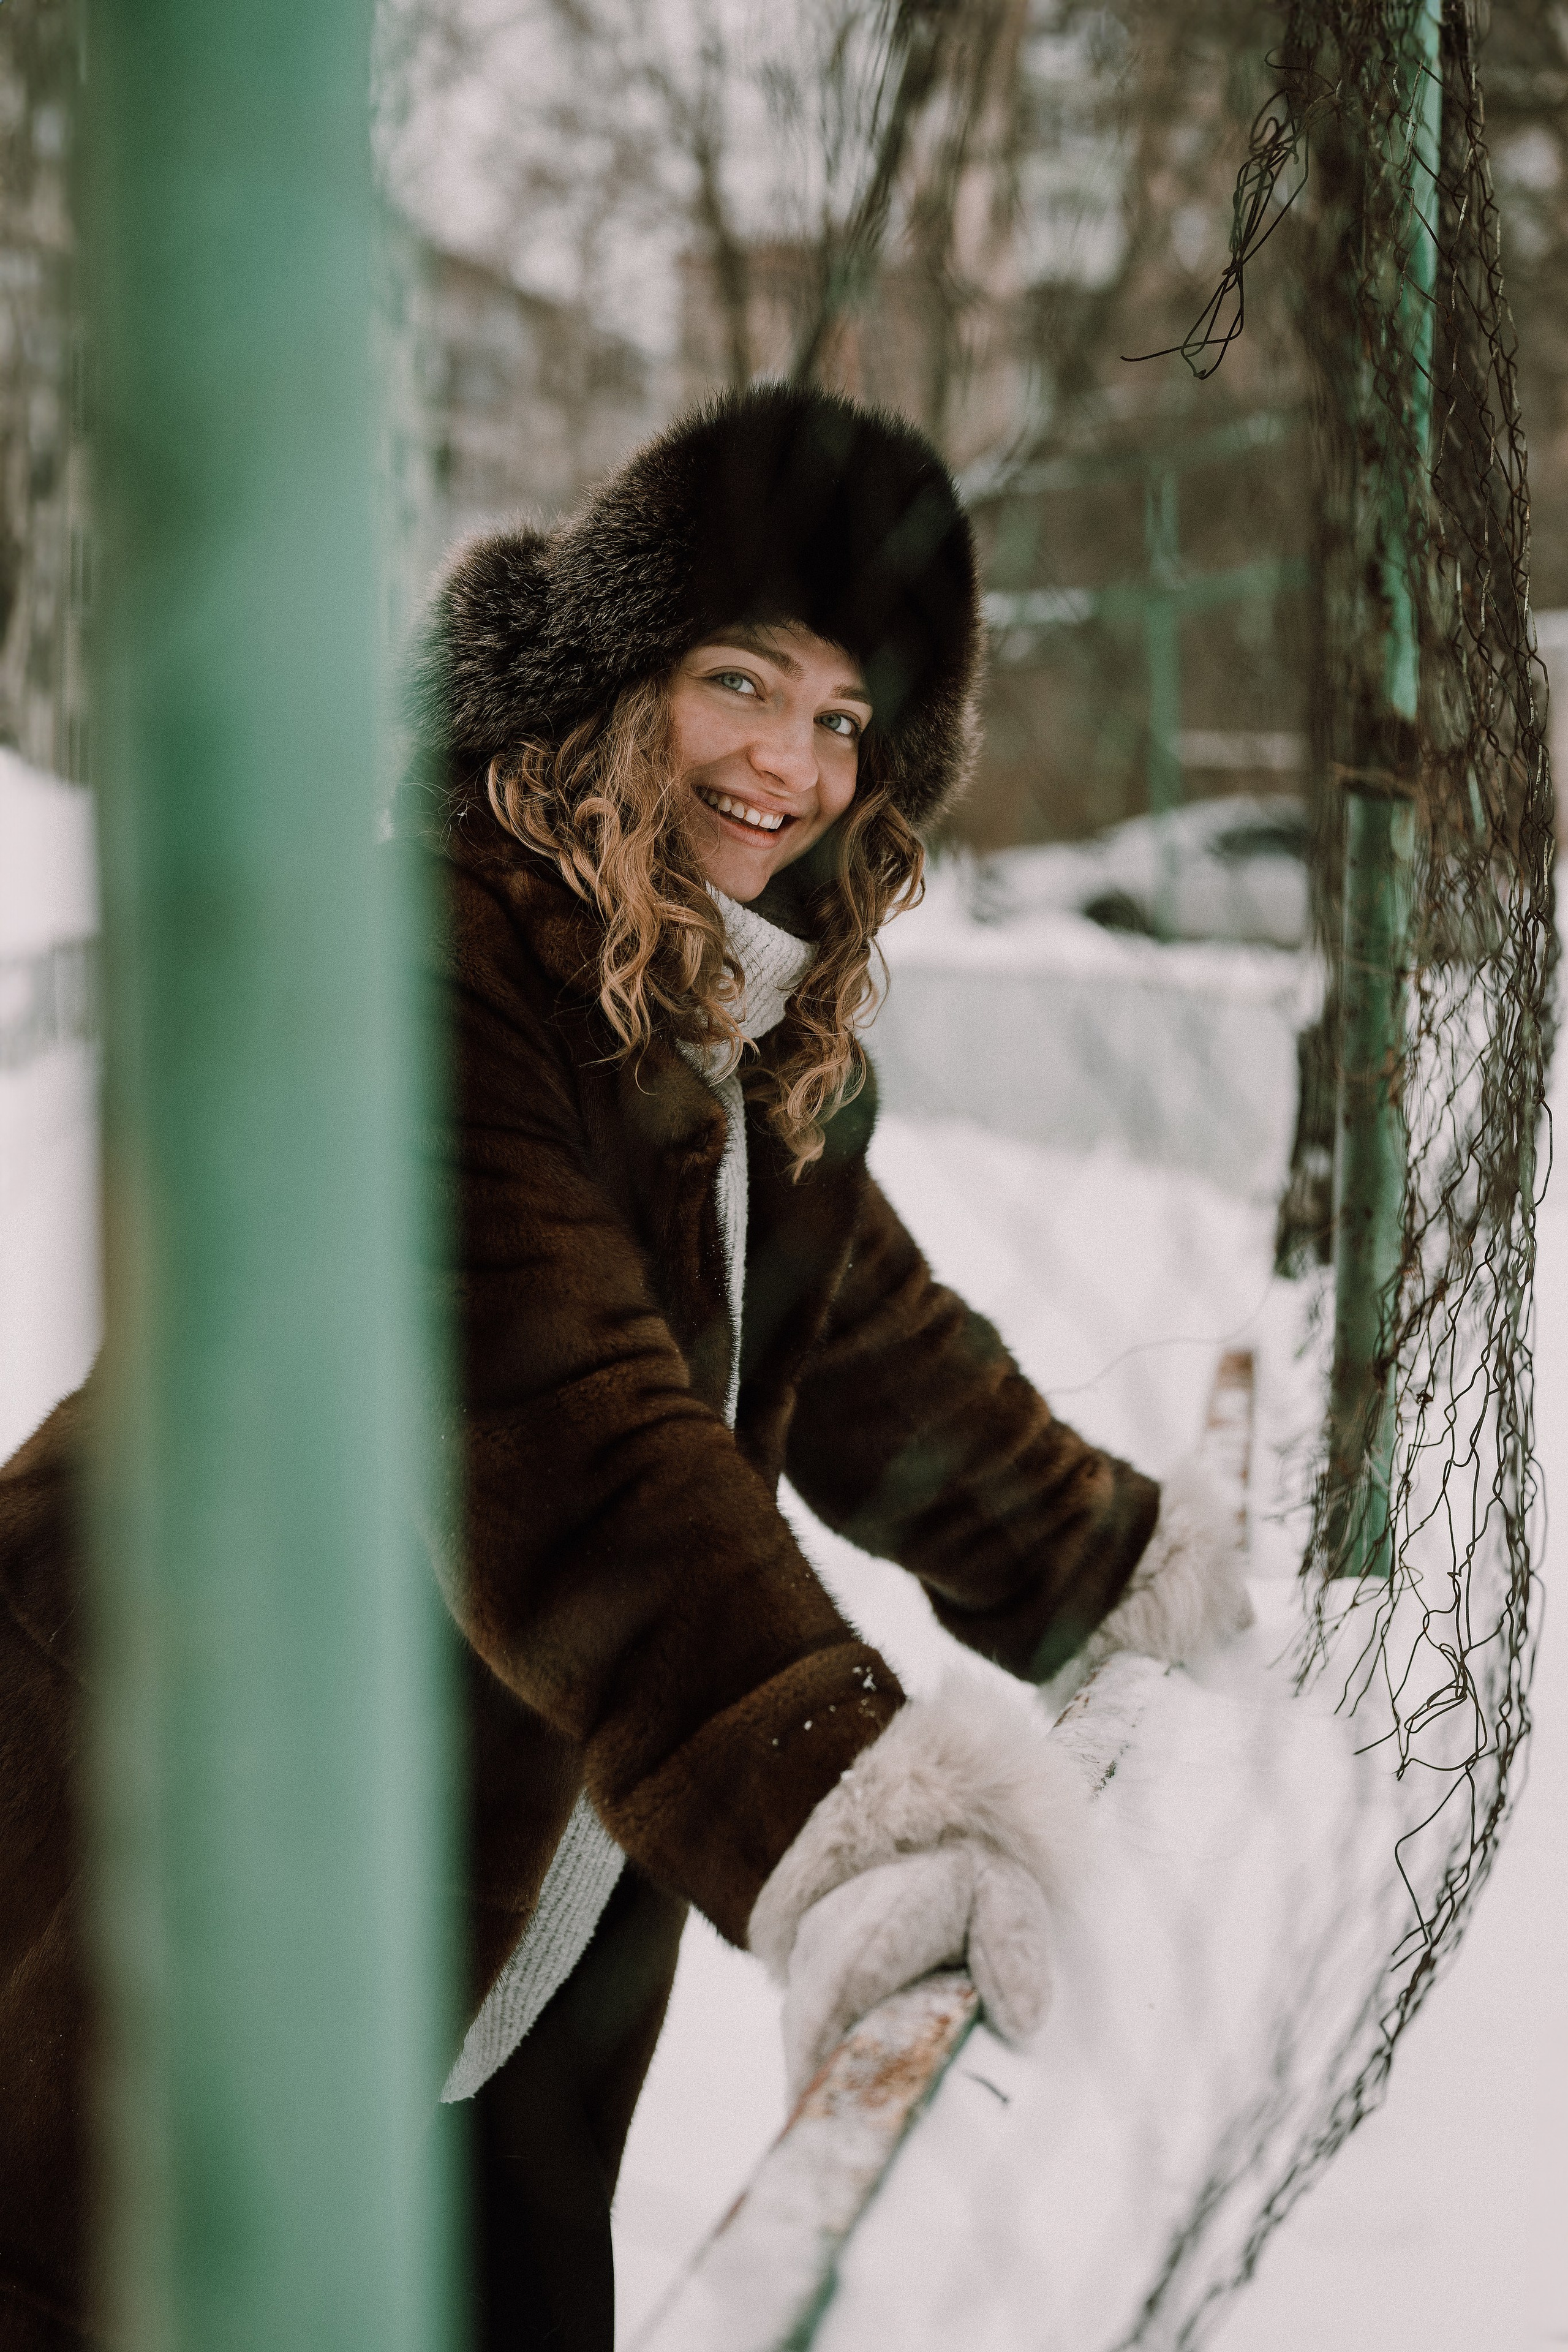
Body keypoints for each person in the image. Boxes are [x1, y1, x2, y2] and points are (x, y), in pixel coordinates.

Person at [0, 383, 1249, 2352]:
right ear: (611, 677)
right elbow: (557, 1421)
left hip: (502, 1929)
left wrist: (1111, 1565)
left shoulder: (724, 1014)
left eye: (847, 719)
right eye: (742, 680)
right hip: (183, 1839)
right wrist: (843, 1801)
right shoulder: (412, 963)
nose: (787, 762)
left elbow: (869, 1354)